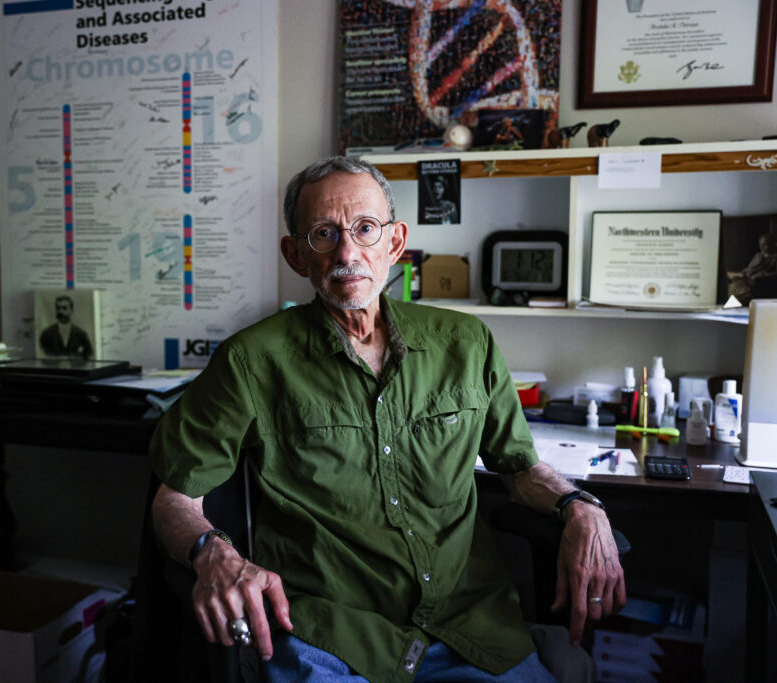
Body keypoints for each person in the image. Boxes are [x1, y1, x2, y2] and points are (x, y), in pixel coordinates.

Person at [150, 157, 625, 681]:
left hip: (470, 629)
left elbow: (518, 468)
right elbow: (175, 497)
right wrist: (209, 551)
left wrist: (581, 507)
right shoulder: (250, 361)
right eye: (324, 233)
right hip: (329, 635)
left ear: (395, 243)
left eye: (365, 229)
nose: (348, 252)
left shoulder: (466, 344)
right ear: (295, 254)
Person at [38, 295, 93, 359]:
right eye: (58, 308)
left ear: (71, 310)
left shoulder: (81, 335)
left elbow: (88, 356)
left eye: (64, 308)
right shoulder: (46, 334)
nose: (60, 311)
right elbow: (43, 357)